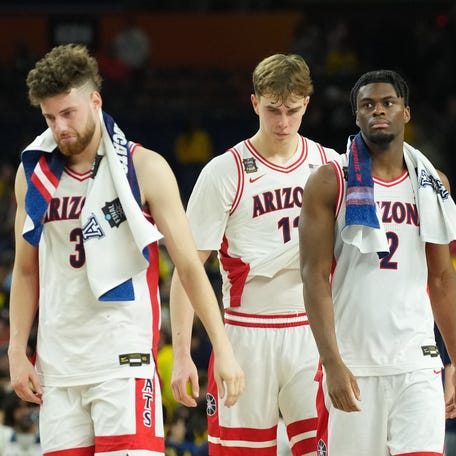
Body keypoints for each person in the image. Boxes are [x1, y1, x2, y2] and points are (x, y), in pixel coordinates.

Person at [7, 43, 244, 455]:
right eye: (49, 117)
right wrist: (16, 350)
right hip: (58, 368)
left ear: (95, 100)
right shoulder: (33, 175)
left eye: (68, 113)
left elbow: (188, 266)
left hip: (124, 362)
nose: (59, 127)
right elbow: (27, 270)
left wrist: (219, 348)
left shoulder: (144, 168)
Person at [169, 53, 340, 455]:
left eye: (293, 111)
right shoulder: (224, 171)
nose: (283, 122)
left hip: (312, 333)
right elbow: (185, 270)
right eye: (272, 110)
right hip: (247, 335)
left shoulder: (330, 165)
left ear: (307, 106)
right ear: (253, 103)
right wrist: (180, 356)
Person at [299, 69, 456, 455]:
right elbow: (314, 278)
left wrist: (455, 360)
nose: (378, 110)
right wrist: (332, 363)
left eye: (388, 102)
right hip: (354, 365)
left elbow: (441, 278)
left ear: (406, 112)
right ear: (356, 116)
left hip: (417, 364)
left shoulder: (432, 183)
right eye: (367, 105)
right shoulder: (329, 180)